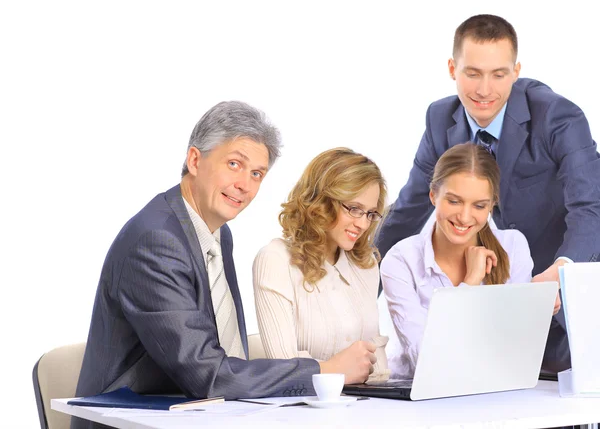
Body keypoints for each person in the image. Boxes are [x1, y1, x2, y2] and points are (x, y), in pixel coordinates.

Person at [73, 102, 376, 429]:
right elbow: (208, 374)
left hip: (205, 413)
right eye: (234, 164)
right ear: (195, 160)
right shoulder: (156, 242)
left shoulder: (217, 232)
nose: (245, 185)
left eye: (257, 174)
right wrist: (326, 370)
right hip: (133, 421)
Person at [376, 14, 600, 372]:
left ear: (516, 71)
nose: (484, 90)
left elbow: (592, 206)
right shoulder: (440, 119)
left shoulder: (559, 117)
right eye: (473, 73)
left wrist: (563, 270)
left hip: (571, 293)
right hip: (505, 307)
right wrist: (358, 282)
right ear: (452, 68)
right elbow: (408, 211)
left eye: (498, 74)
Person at [381, 143, 533, 377]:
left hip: (493, 392)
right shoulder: (401, 260)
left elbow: (516, 347)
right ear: (433, 195)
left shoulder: (512, 247)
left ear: (492, 205)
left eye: (479, 205)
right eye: (454, 201)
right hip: (415, 399)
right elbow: (427, 359)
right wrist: (470, 283)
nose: (464, 217)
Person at [253, 148, 390, 382]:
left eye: (370, 213)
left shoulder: (365, 264)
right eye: (354, 209)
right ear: (321, 202)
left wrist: (316, 366)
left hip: (361, 406)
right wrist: (337, 368)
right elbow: (283, 369)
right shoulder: (276, 260)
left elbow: (380, 371)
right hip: (297, 411)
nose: (363, 224)